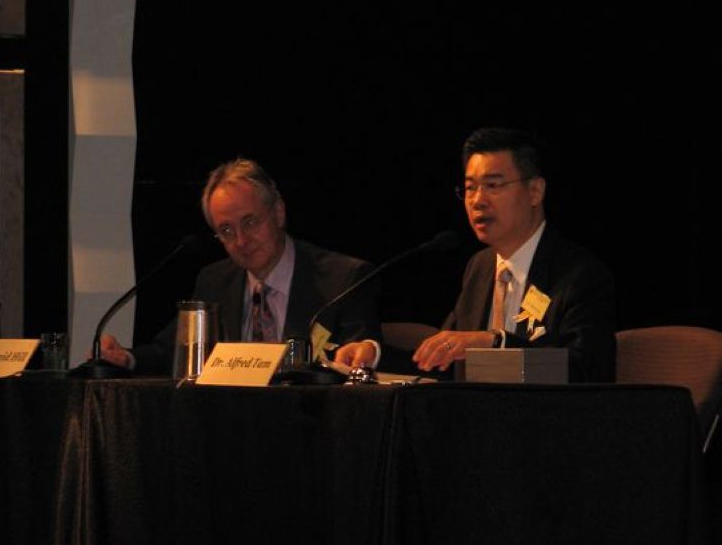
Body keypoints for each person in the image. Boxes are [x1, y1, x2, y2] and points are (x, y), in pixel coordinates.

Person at [99, 158, 381, 374]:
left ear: (278, 212)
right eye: (226, 230)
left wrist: (367, 351)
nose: (241, 240)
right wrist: (125, 358)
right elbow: (172, 351)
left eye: (250, 222)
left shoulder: (343, 279)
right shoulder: (214, 281)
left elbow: (363, 350)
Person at [413, 127, 616, 382]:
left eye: (493, 185)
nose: (477, 201)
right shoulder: (480, 267)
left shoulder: (580, 275)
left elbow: (585, 371)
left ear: (535, 191)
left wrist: (497, 343)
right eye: (470, 188)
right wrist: (375, 355)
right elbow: (440, 361)